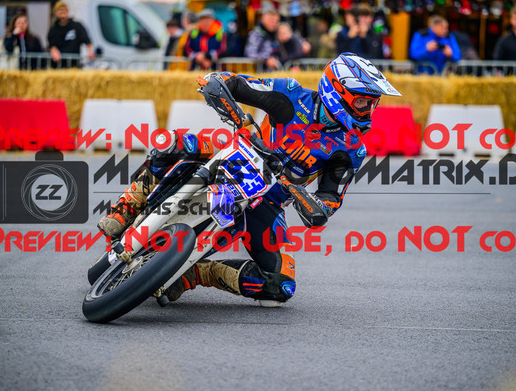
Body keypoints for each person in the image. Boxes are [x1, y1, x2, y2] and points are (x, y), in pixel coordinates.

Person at [97, 53, 402, 306]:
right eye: (363, 102)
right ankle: (127, 206)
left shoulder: (351, 149)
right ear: (337, 91)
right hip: (233, 157)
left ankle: (197, 274)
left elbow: (328, 202)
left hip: (267, 202)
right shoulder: (290, 94)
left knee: (280, 286)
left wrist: (303, 197)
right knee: (172, 143)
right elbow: (222, 81)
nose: (369, 111)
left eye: (372, 104)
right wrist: (239, 118)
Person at [47, 1, 95, 68]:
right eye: (60, 12)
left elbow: (87, 41)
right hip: (58, 65)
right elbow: (51, 45)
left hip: (74, 65)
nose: (62, 15)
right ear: (56, 13)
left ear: (68, 11)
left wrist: (90, 52)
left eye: (64, 12)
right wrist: (53, 51)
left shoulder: (77, 27)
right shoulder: (53, 29)